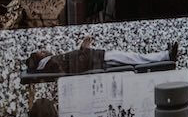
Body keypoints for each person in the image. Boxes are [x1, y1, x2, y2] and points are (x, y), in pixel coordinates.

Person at [25, 37, 178, 74]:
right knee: (134, 58)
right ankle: (165, 56)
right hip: (99, 60)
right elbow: (76, 65)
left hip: (97, 58)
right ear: (40, 58)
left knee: (133, 58)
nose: (44, 50)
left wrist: (83, 49)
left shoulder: (52, 62)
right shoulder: (52, 63)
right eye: (41, 52)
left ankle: (164, 55)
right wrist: (84, 48)